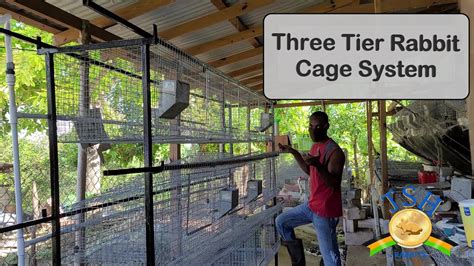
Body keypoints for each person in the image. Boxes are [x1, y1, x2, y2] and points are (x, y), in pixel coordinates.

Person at [276, 111, 345, 266]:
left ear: (326, 126)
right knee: (281, 222)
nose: (313, 130)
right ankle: (298, 262)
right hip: (312, 206)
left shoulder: (335, 152)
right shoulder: (315, 146)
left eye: (318, 126)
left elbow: (334, 183)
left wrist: (318, 165)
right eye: (311, 126)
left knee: (330, 259)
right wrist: (293, 152)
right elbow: (309, 170)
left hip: (325, 211)